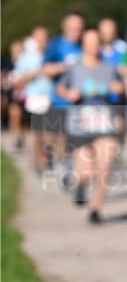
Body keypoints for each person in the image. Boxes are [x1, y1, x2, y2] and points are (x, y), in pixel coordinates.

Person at [57, 27, 125, 223]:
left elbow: (121, 88)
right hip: (80, 122)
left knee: (105, 166)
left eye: (96, 43)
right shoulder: (74, 67)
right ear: (84, 45)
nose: (94, 46)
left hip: (104, 121)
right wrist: (69, 94)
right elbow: (60, 88)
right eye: (90, 43)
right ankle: (80, 184)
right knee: (86, 171)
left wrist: (117, 89)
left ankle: (95, 208)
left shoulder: (109, 68)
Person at [42, 10, 85, 186]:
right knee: (62, 138)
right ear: (64, 26)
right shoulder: (55, 45)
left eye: (79, 28)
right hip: (60, 101)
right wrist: (65, 66)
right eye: (72, 27)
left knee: (79, 139)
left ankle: (76, 169)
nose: (76, 31)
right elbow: (45, 70)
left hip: (83, 101)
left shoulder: (85, 43)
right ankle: (63, 168)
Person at [11, 27, 52, 173]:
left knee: (49, 133)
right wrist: (30, 76)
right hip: (35, 98)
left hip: (53, 98)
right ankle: (38, 160)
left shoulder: (53, 54)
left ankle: (46, 157)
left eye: (44, 37)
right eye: (39, 37)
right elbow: (16, 82)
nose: (42, 40)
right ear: (34, 39)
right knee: (37, 132)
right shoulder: (26, 58)